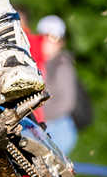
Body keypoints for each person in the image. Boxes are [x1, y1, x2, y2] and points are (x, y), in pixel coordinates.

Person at [35, 15, 86, 157]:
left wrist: (39, 115)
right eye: (45, 37)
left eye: (54, 38)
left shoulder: (62, 65)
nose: (48, 42)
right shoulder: (36, 61)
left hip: (57, 127)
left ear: (61, 42)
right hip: (41, 126)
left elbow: (66, 103)